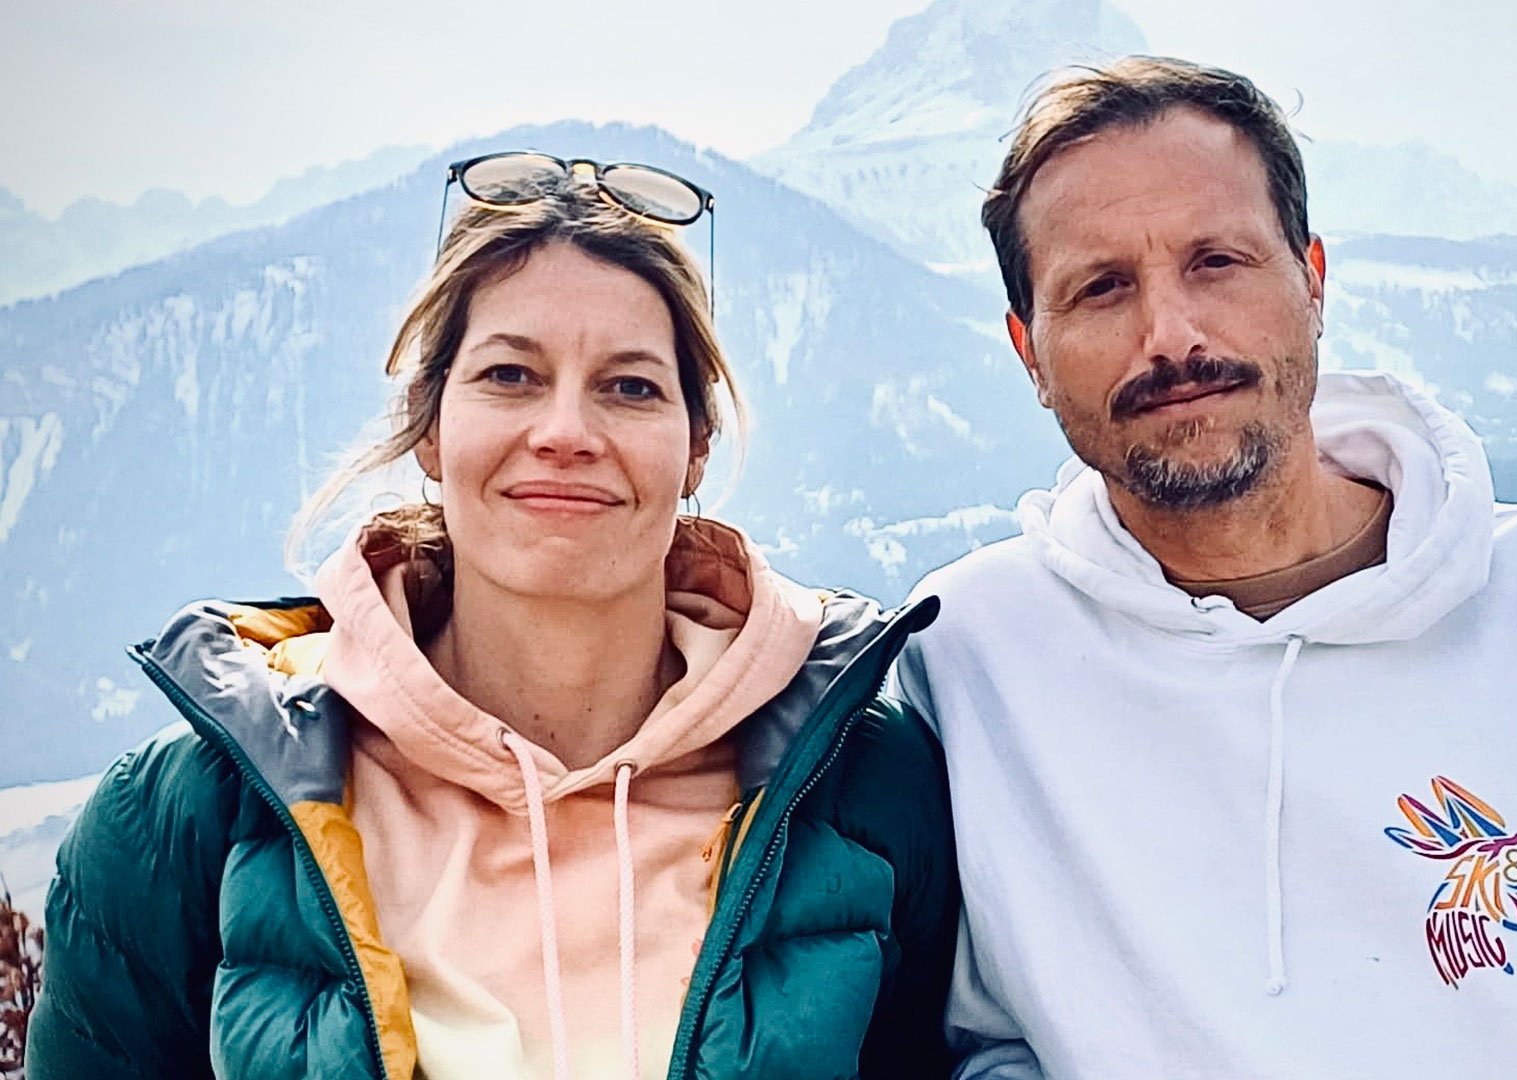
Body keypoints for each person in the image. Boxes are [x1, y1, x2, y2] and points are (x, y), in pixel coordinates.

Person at [890, 57, 1517, 1079]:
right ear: (1030, 351)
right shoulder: (965, 651)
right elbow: (975, 1038)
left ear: (1311, 282)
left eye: (1218, 262)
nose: (1173, 335)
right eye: (1102, 288)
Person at [27, 154, 958, 1079]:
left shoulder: (860, 787)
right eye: (511, 375)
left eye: (630, 386)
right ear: (431, 430)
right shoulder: (189, 817)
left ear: (695, 449)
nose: (564, 431)